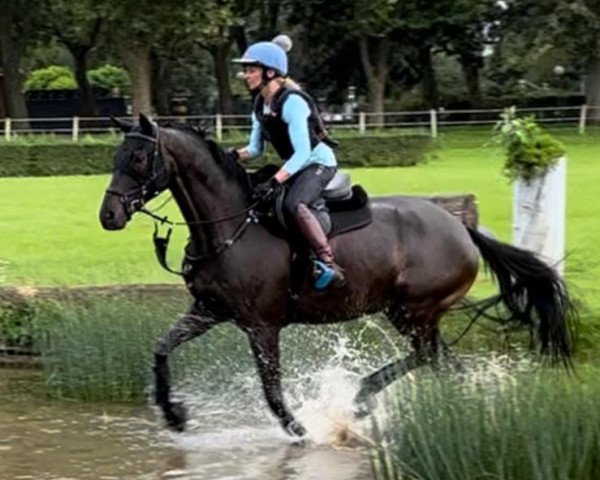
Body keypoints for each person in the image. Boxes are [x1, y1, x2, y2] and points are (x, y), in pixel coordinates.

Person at [229, 38, 345, 289]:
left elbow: (303, 152)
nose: (245, 75)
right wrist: (231, 155)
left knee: (295, 203)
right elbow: (255, 149)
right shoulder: (260, 103)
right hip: (296, 165)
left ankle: (328, 262)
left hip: (318, 163)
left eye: (251, 70)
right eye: (246, 70)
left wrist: (276, 180)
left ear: (270, 72)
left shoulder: (293, 102)